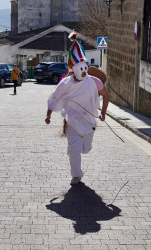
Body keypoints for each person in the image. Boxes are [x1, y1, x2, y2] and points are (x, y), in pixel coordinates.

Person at [45, 31, 110, 186]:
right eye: (80, 68)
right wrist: (48, 115)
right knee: (74, 150)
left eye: (85, 68)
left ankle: (80, 150)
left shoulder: (94, 81)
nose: (84, 71)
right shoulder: (65, 83)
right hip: (72, 121)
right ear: (73, 69)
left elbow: (106, 96)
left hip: (89, 121)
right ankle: (76, 175)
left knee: (86, 149)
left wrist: (103, 113)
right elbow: (54, 97)